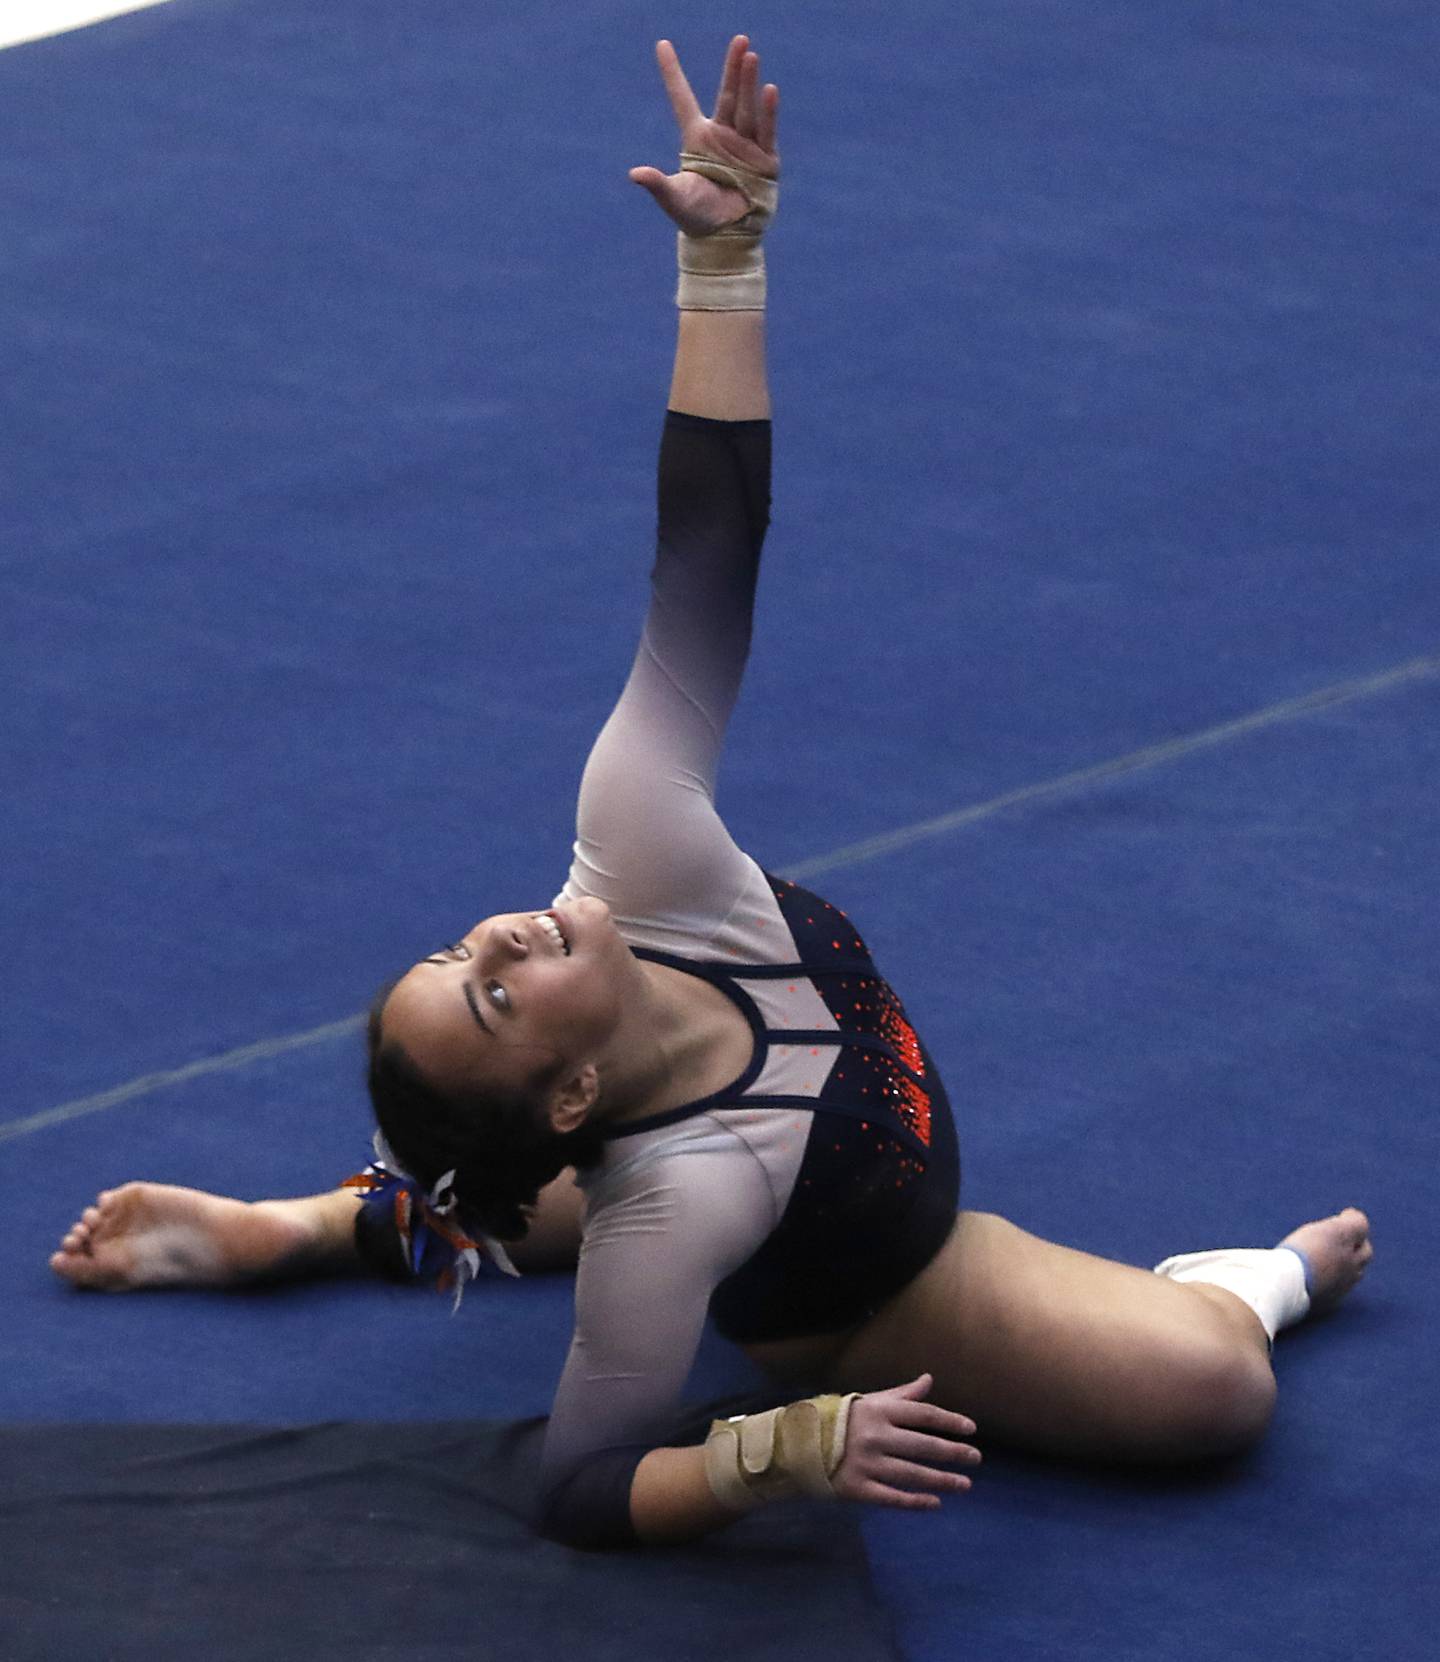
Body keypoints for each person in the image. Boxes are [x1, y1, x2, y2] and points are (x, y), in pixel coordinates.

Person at [51, 35, 1372, 1551]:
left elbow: (708, 550)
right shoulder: (676, 1213)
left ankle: (302, 1223)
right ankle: (1248, 1277)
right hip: (878, 1280)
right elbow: (575, 1484)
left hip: (667, 1131)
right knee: (1209, 1389)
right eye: (487, 995)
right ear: (557, 1078)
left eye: (453, 948)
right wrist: (789, 1442)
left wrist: (726, 263)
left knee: (541, 1184)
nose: (497, 937)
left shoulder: (633, 853)